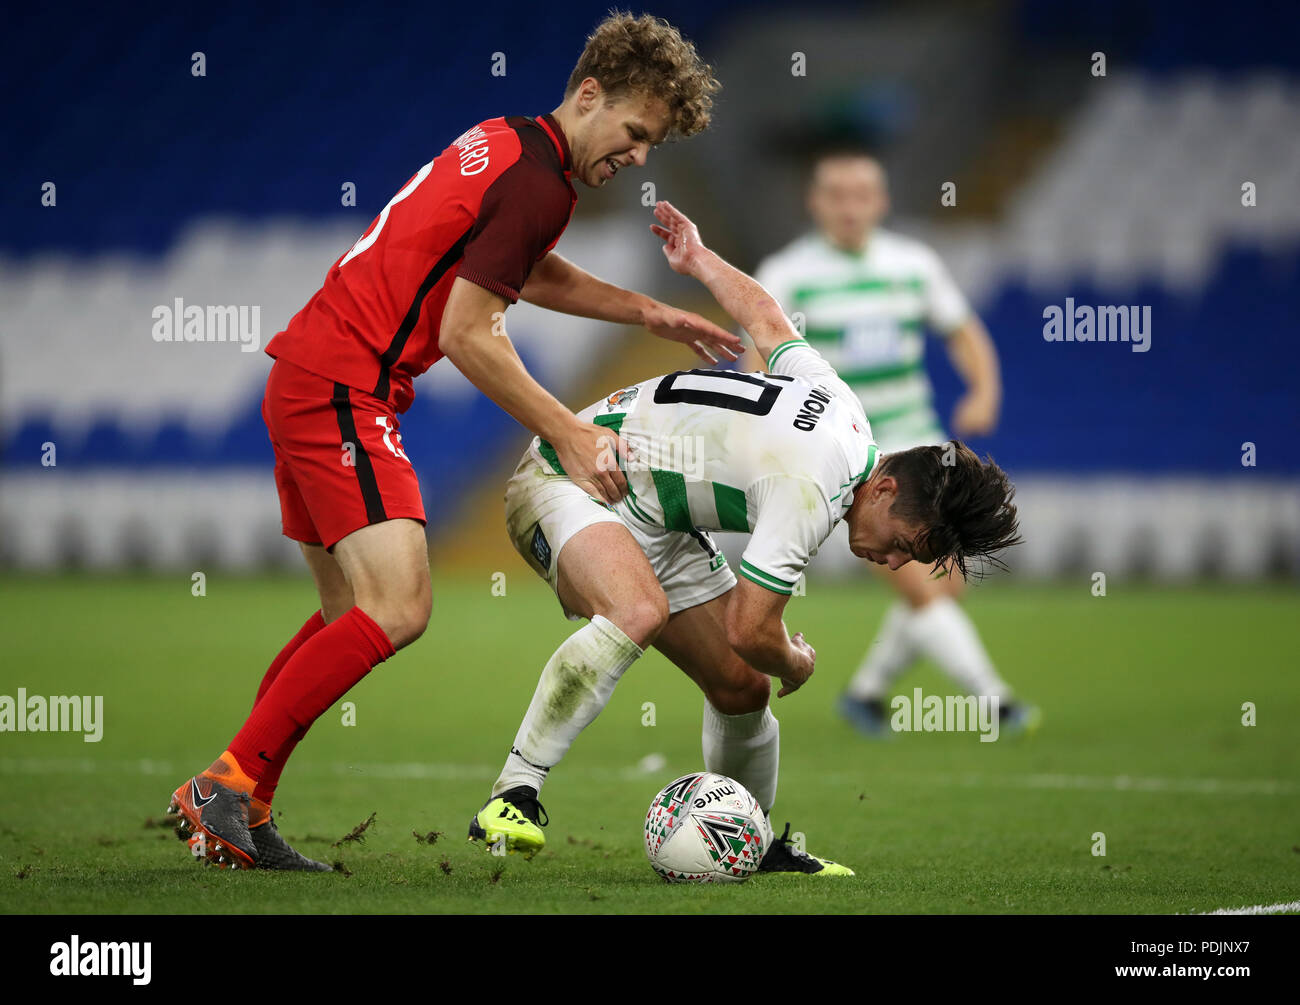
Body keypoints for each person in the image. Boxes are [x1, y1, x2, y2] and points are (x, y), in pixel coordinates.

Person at [166, 14, 741, 871]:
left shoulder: (509, 143)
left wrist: (645, 309)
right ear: (590, 95)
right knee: (397, 608)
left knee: (346, 616)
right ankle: (226, 784)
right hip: (345, 389)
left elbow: (523, 266)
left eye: (651, 143)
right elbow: (471, 332)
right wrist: (571, 432)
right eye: (635, 132)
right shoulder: (540, 185)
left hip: (308, 373)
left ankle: (240, 801)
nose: (640, 157)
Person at [467, 200, 1021, 875]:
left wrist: (700, 259)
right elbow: (751, 627)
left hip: (653, 512)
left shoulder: (848, 418)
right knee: (645, 613)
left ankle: (750, 844)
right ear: (884, 490)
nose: (897, 558)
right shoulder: (813, 487)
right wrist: (796, 661)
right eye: (911, 540)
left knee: (741, 690)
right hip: (569, 477)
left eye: (914, 557)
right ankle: (513, 792)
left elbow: (765, 320)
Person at [752, 150, 1039, 738]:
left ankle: (864, 694)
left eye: (861, 195)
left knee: (940, 584)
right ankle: (995, 702)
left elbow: (963, 331)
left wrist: (983, 390)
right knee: (925, 583)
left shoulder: (913, 264)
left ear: (881, 202)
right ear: (816, 202)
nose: (849, 207)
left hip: (924, 452)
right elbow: (756, 351)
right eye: (836, 194)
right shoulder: (789, 274)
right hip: (851, 456)